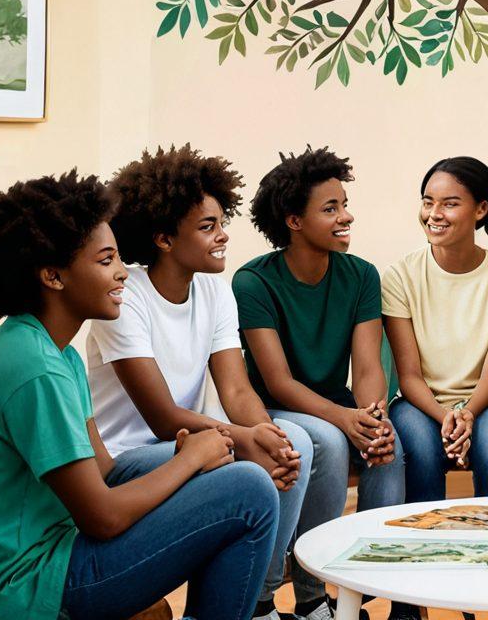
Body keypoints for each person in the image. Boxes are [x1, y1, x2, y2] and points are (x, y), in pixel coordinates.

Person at [0, 171, 278, 619]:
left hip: (53, 552)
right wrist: (188, 461)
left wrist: (189, 461)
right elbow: (102, 517)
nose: (122, 273)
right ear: (53, 276)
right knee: (248, 494)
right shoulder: (35, 369)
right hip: (19, 585)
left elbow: (105, 472)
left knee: (229, 480)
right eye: (106, 260)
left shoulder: (56, 354)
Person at [87, 145, 314, 620]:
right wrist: (242, 439)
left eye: (221, 222)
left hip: (189, 439)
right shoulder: (125, 298)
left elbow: (235, 391)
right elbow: (162, 416)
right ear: (165, 238)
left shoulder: (213, 288)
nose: (223, 236)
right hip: (130, 454)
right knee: (243, 468)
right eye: (208, 227)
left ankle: (259, 602)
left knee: (293, 443)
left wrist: (265, 436)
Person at [235, 146, 405, 620]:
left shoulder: (361, 275)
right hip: (274, 409)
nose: (345, 216)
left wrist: (373, 418)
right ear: (293, 221)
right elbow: (278, 380)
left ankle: (368, 588)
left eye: (344, 204)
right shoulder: (254, 283)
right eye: (330, 208)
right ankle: (299, 596)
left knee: (391, 448)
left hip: (339, 407)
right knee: (329, 440)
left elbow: (369, 366)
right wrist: (344, 419)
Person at [384, 157, 488, 502]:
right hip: (417, 402)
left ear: (481, 209)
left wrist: (468, 414)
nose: (434, 213)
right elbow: (409, 375)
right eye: (428, 201)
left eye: (450, 204)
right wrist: (446, 416)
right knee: (423, 453)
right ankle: (423, 549)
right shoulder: (399, 277)